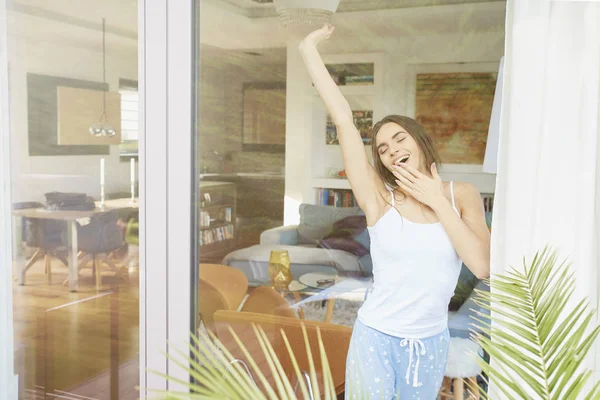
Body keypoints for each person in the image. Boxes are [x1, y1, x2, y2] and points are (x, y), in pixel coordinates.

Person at [298, 24, 491, 399]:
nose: (390, 149)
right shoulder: (379, 198)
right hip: (376, 337)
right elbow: (343, 121)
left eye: (399, 138)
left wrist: (437, 201)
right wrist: (308, 50)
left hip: (429, 343)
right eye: (383, 148)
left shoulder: (462, 195)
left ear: (419, 141)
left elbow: (482, 266)